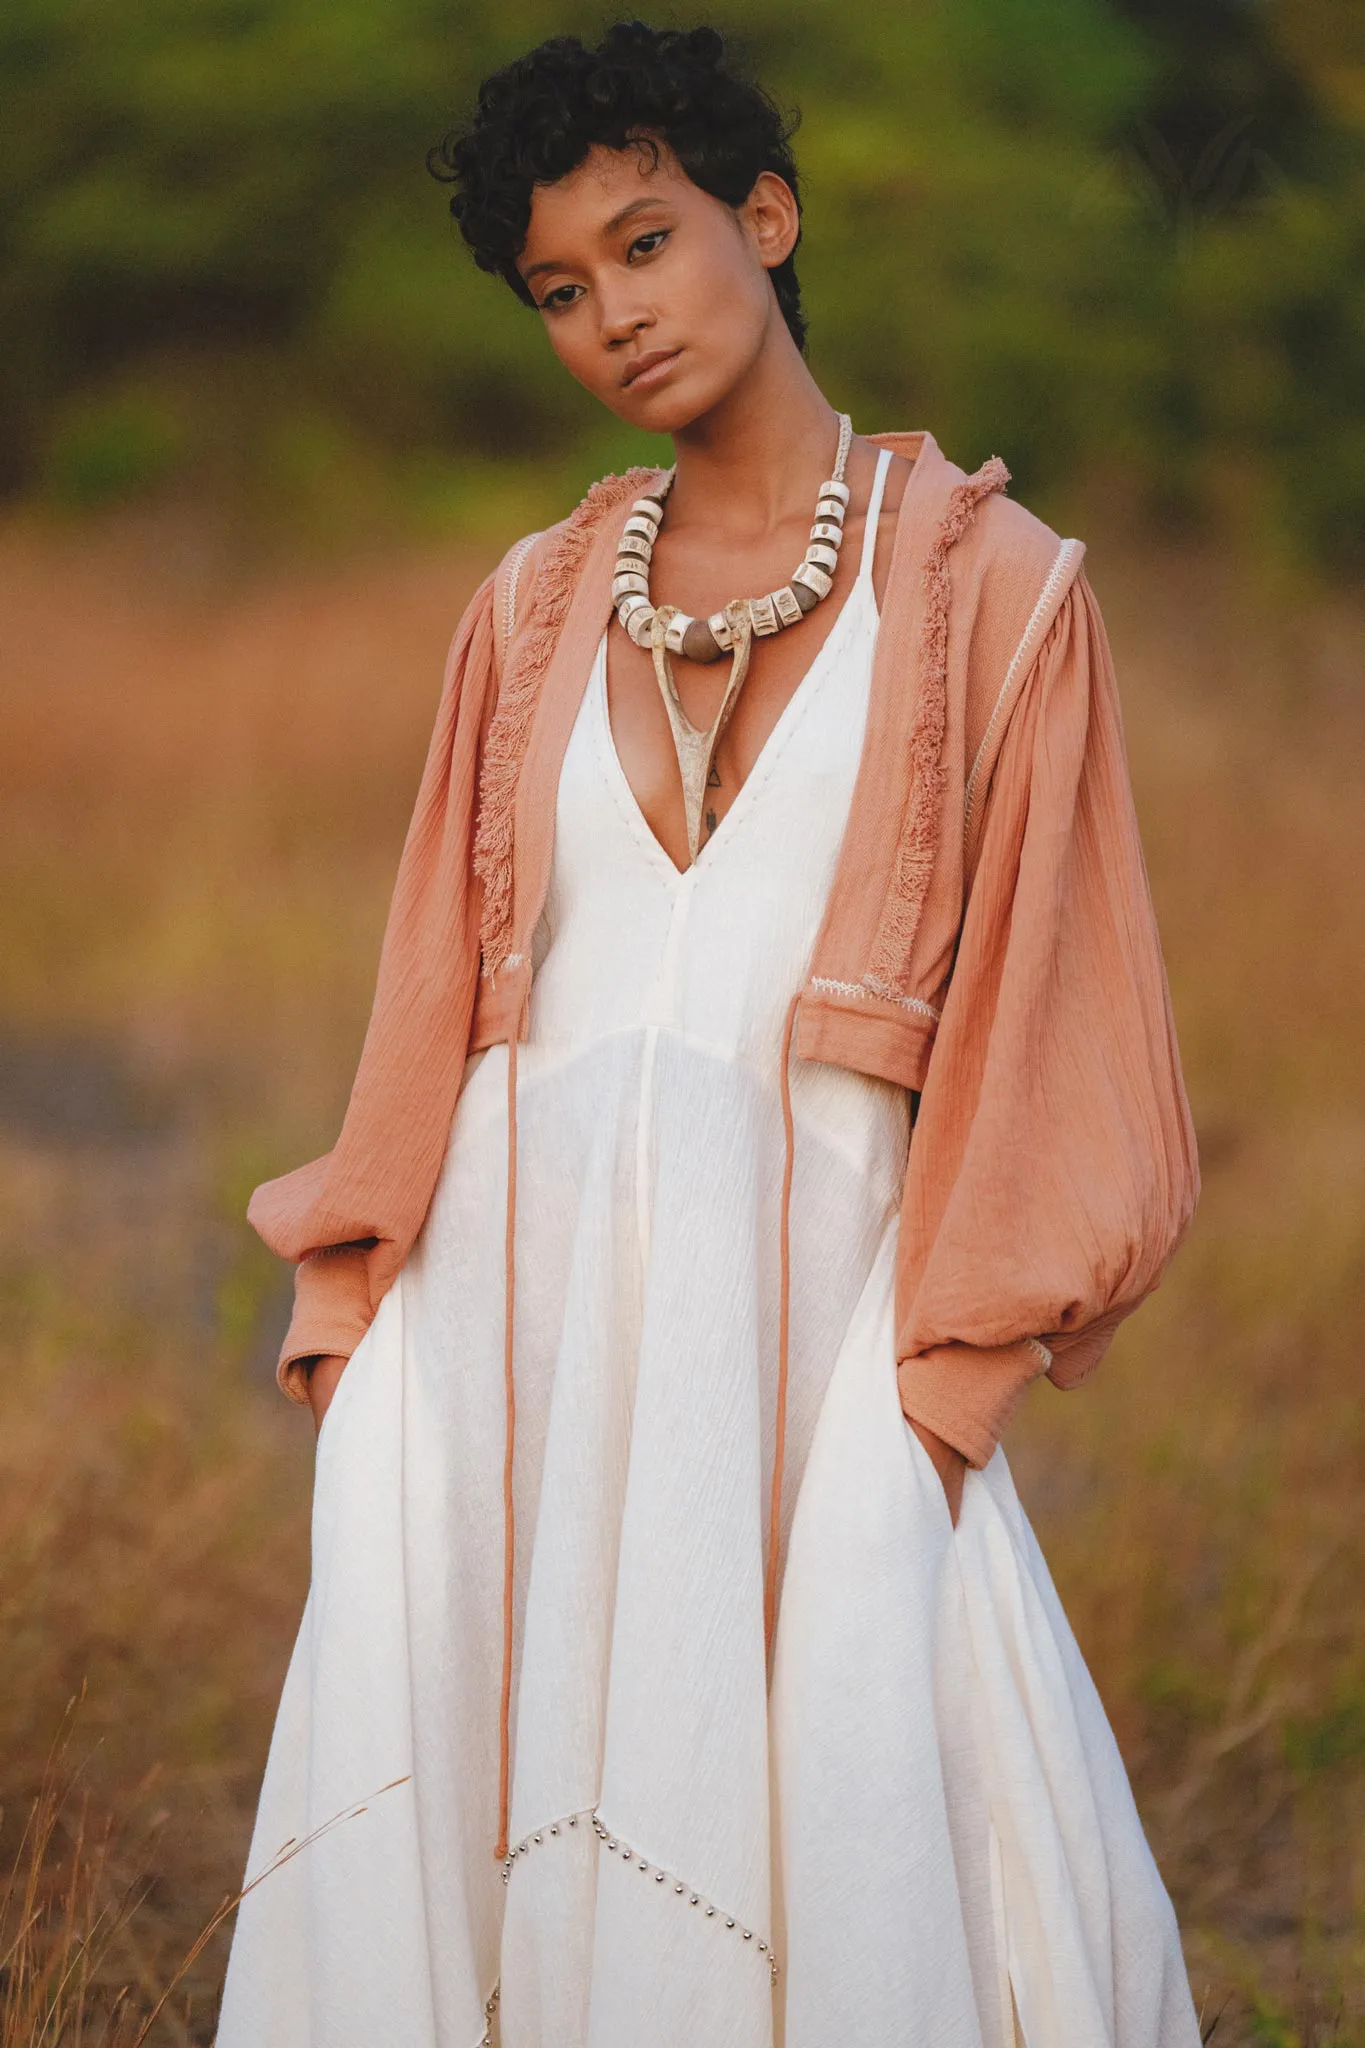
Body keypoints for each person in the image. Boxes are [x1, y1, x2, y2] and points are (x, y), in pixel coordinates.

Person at [215, 22, 1203, 2048]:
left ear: (768, 217)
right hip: (504, 1319)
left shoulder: (999, 594)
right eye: (560, 291)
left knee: (845, 1801)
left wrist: (945, 1378)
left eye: (647, 241)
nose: (612, 316)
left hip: (828, 1316)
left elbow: (1062, 1010)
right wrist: (357, 1300)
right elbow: (435, 985)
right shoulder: (529, 603)